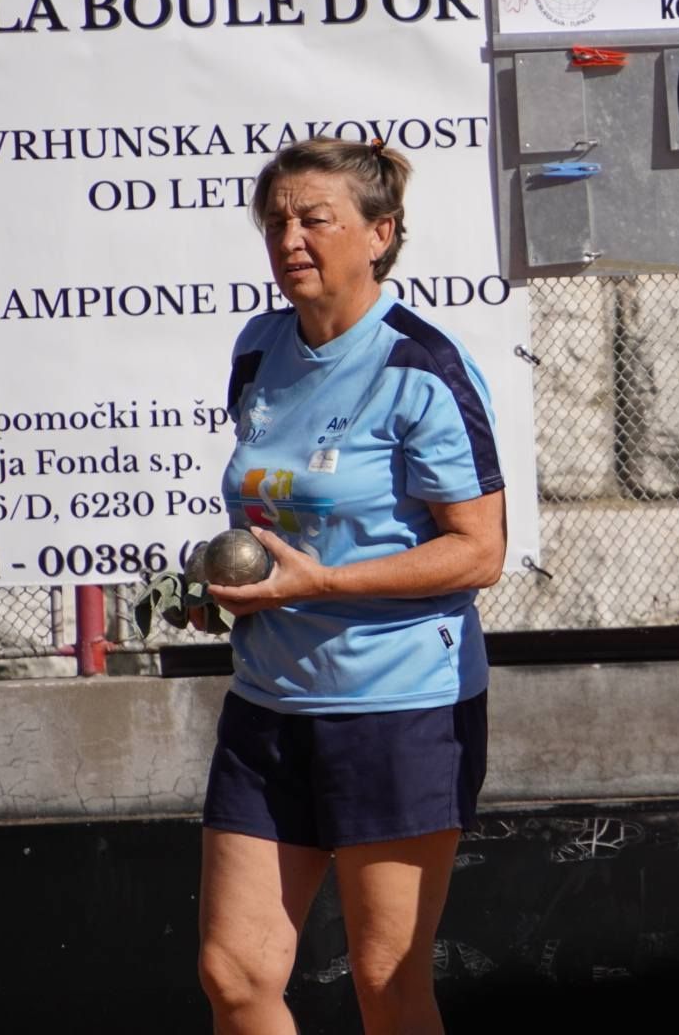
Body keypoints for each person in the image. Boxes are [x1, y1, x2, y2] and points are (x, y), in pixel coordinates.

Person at [197, 136, 506, 1035]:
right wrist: (224, 584)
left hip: (397, 707)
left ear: (380, 234)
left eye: (314, 220)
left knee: (387, 984)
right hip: (269, 703)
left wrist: (322, 581)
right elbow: (277, 517)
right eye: (276, 221)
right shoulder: (259, 349)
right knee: (234, 974)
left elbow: (479, 552)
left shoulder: (421, 366)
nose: (290, 239)